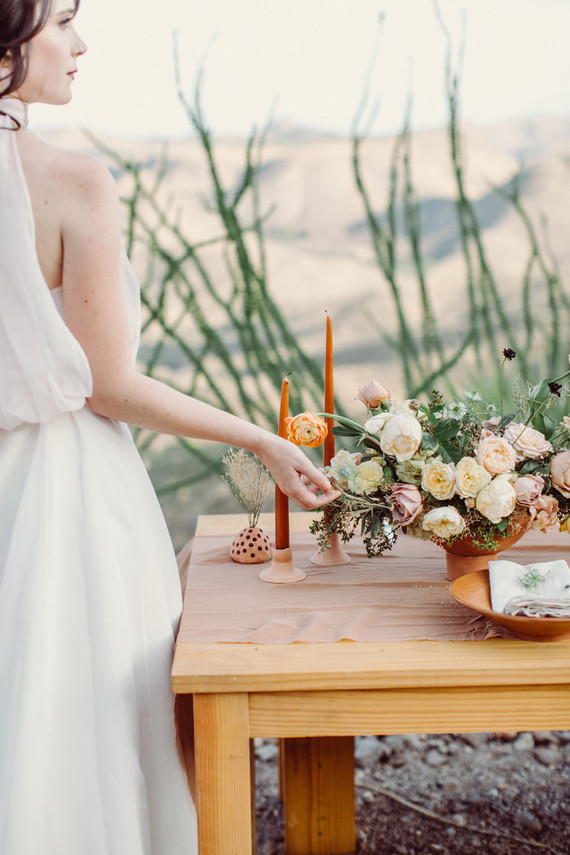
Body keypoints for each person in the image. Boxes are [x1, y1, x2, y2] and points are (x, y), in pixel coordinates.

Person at [0, 1, 338, 852]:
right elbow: (108, 386)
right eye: (61, 21)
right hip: (64, 498)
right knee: (83, 727)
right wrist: (260, 437)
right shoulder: (71, 181)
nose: (81, 43)